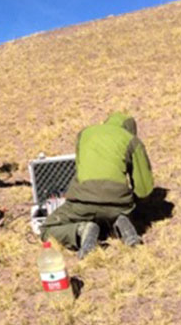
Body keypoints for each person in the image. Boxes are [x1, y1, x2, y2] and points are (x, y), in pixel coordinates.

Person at [39, 111, 154, 259]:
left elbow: (80, 168)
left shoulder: (85, 134)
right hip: (118, 204)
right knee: (114, 211)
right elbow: (144, 190)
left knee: (46, 229)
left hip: (82, 203)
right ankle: (120, 220)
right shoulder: (131, 140)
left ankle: (81, 230)